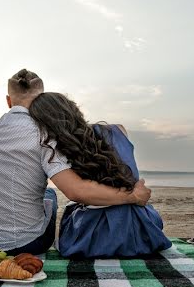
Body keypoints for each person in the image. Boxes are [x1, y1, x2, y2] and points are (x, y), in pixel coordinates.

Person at [0, 69, 152, 255]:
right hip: (27, 244)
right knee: (50, 195)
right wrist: (133, 196)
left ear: (8, 101)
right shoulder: (43, 134)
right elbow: (75, 191)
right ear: (42, 99)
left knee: (42, 193)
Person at [27, 92, 171, 259]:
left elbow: (77, 192)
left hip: (93, 236)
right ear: (72, 109)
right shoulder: (118, 130)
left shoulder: (57, 150)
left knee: (57, 200)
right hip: (140, 228)